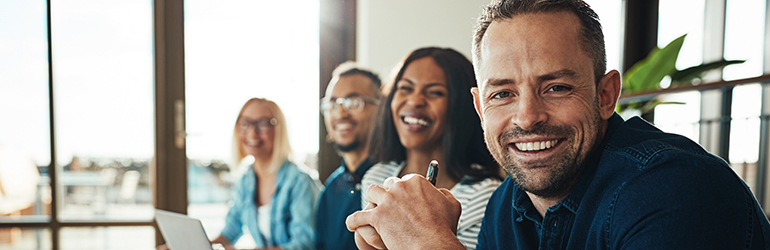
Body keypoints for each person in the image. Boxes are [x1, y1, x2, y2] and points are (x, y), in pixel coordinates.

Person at [346, 0, 770, 249]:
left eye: (556, 87)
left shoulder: (678, 192)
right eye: (503, 93)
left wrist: (431, 244)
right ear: (479, 108)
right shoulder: (507, 205)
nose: (528, 117)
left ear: (606, 95)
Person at [359, 47, 502, 249]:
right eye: (405, 88)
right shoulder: (376, 176)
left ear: (461, 106)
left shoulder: (484, 195)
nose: (415, 101)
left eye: (435, 92)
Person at [214, 98, 320, 250]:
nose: (252, 132)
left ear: (279, 129)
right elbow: (229, 232)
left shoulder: (300, 181)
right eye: (245, 123)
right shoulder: (245, 180)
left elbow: (303, 245)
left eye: (263, 123)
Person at [315, 62, 382, 250]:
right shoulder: (330, 190)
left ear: (382, 109)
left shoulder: (398, 181)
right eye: (332, 104)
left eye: (354, 102)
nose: (340, 113)